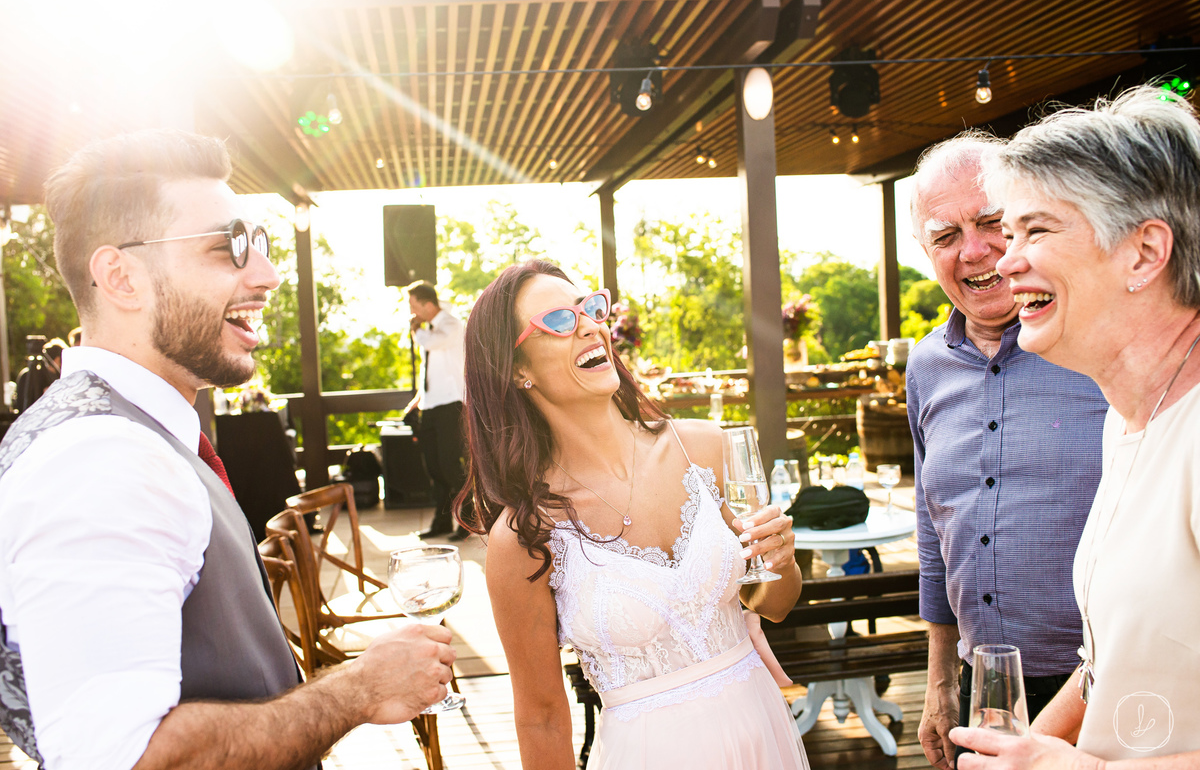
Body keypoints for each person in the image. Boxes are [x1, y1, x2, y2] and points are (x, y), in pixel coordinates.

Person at [0, 130, 455, 770]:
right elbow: (124, 760)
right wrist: (360, 689)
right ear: (121, 277)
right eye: (229, 247)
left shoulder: (133, 436)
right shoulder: (100, 458)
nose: (266, 276)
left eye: (261, 245)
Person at [453, 260, 807, 769]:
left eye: (591, 309)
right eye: (559, 321)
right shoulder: (526, 534)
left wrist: (783, 561)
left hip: (764, 739)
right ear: (517, 370)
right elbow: (542, 717)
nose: (590, 325)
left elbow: (774, 604)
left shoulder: (705, 447)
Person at [950, 85, 1200, 764]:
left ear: (1145, 252)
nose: (1004, 260)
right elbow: (1107, 665)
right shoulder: (1125, 420)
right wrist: (1028, 748)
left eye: (1035, 230)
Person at [905, 132, 1108, 769]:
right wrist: (941, 683)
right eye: (945, 236)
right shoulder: (925, 366)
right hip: (985, 692)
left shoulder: (1095, 343)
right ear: (925, 252)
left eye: (992, 221)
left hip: (1107, 686)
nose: (974, 251)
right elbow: (933, 532)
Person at [400, 280, 468, 540]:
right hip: (430, 405)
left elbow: (432, 345)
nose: (411, 311)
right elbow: (434, 372)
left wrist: (416, 330)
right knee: (433, 468)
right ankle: (441, 522)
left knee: (450, 465)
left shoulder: (451, 325)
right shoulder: (429, 329)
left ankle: (468, 519)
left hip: (451, 405)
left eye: (413, 305)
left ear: (428, 305)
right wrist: (418, 400)